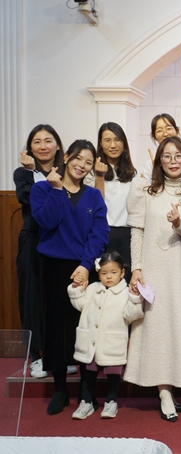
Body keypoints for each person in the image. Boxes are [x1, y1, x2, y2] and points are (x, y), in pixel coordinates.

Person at [125, 136, 181, 422]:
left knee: (179, 327)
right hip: (152, 268)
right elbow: (137, 231)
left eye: (178, 156)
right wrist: (136, 268)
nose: (173, 161)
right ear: (159, 161)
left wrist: (177, 222)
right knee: (154, 328)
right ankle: (163, 391)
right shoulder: (144, 190)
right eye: (167, 156)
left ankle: (172, 386)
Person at [30, 139, 109, 415]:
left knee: (85, 329)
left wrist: (86, 266)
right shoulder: (43, 188)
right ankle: (60, 389)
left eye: (88, 162)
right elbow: (47, 221)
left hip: (83, 269)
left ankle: (87, 390)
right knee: (56, 330)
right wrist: (56, 190)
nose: (82, 166)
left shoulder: (94, 196)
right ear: (66, 157)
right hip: (52, 268)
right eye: (78, 159)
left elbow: (100, 234)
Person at [67, 251, 143, 420]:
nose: (109, 277)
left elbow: (131, 315)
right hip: (91, 343)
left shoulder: (125, 292)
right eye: (104, 273)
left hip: (112, 343)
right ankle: (86, 402)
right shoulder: (92, 289)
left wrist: (135, 298)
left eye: (113, 272)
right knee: (88, 374)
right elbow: (80, 304)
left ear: (122, 273)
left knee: (113, 374)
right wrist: (76, 289)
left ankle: (111, 401)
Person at [14, 124, 64, 378]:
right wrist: (33, 172)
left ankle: (60, 355)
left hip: (61, 241)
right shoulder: (23, 173)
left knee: (60, 298)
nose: (43, 146)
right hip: (33, 240)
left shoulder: (67, 170)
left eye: (48, 140)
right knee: (31, 297)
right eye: (37, 141)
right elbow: (30, 199)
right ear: (30, 148)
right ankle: (35, 357)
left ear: (58, 145)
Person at [87, 122, 138, 267]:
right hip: (103, 231)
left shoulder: (132, 173)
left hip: (127, 233)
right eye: (107, 140)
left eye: (117, 140)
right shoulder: (91, 172)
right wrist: (99, 176)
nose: (113, 145)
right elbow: (96, 203)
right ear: (100, 143)